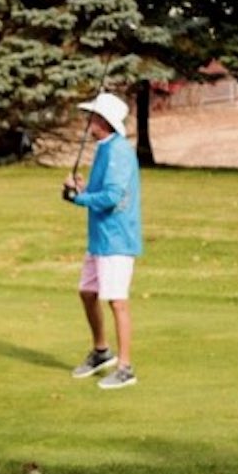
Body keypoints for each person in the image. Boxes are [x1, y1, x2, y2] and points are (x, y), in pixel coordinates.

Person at [62, 90, 141, 389]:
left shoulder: (119, 151)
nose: (87, 123)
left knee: (117, 301)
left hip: (117, 237)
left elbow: (111, 197)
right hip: (99, 238)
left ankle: (125, 367)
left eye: (91, 117)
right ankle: (101, 351)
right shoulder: (105, 148)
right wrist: (81, 188)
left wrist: (79, 198)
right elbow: (100, 189)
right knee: (87, 292)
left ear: (103, 121)